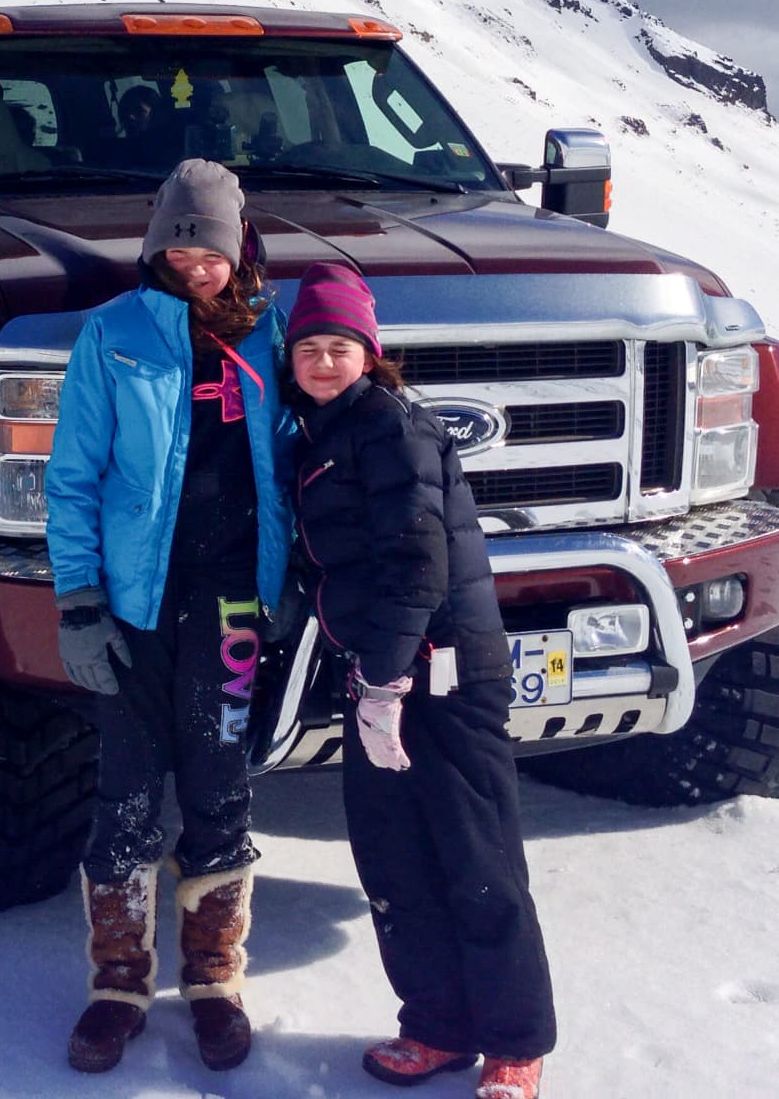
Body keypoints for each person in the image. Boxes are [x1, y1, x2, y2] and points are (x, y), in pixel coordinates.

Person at [45, 159, 295, 1075]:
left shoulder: (274, 335)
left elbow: (303, 458)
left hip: (232, 601)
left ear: (240, 248)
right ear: (157, 243)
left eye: (212, 245)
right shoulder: (112, 335)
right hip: (134, 604)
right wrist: (77, 602)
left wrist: (292, 578)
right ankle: (117, 984)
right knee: (128, 787)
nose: (196, 262)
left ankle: (214, 982)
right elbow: (70, 481)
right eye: (180, 242)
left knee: (221, 778)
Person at [285, 261, 557, 1099]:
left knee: (476, 856)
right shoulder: (319, 433)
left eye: (341, 346)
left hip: (443, 673)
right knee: (395, 858)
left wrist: (381, 682)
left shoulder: (391, 427)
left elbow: (417, 564)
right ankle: (437, 1025)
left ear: (371, 353)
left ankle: (515, 1041)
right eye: (310, 347)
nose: (325, 361)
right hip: (380, 670)